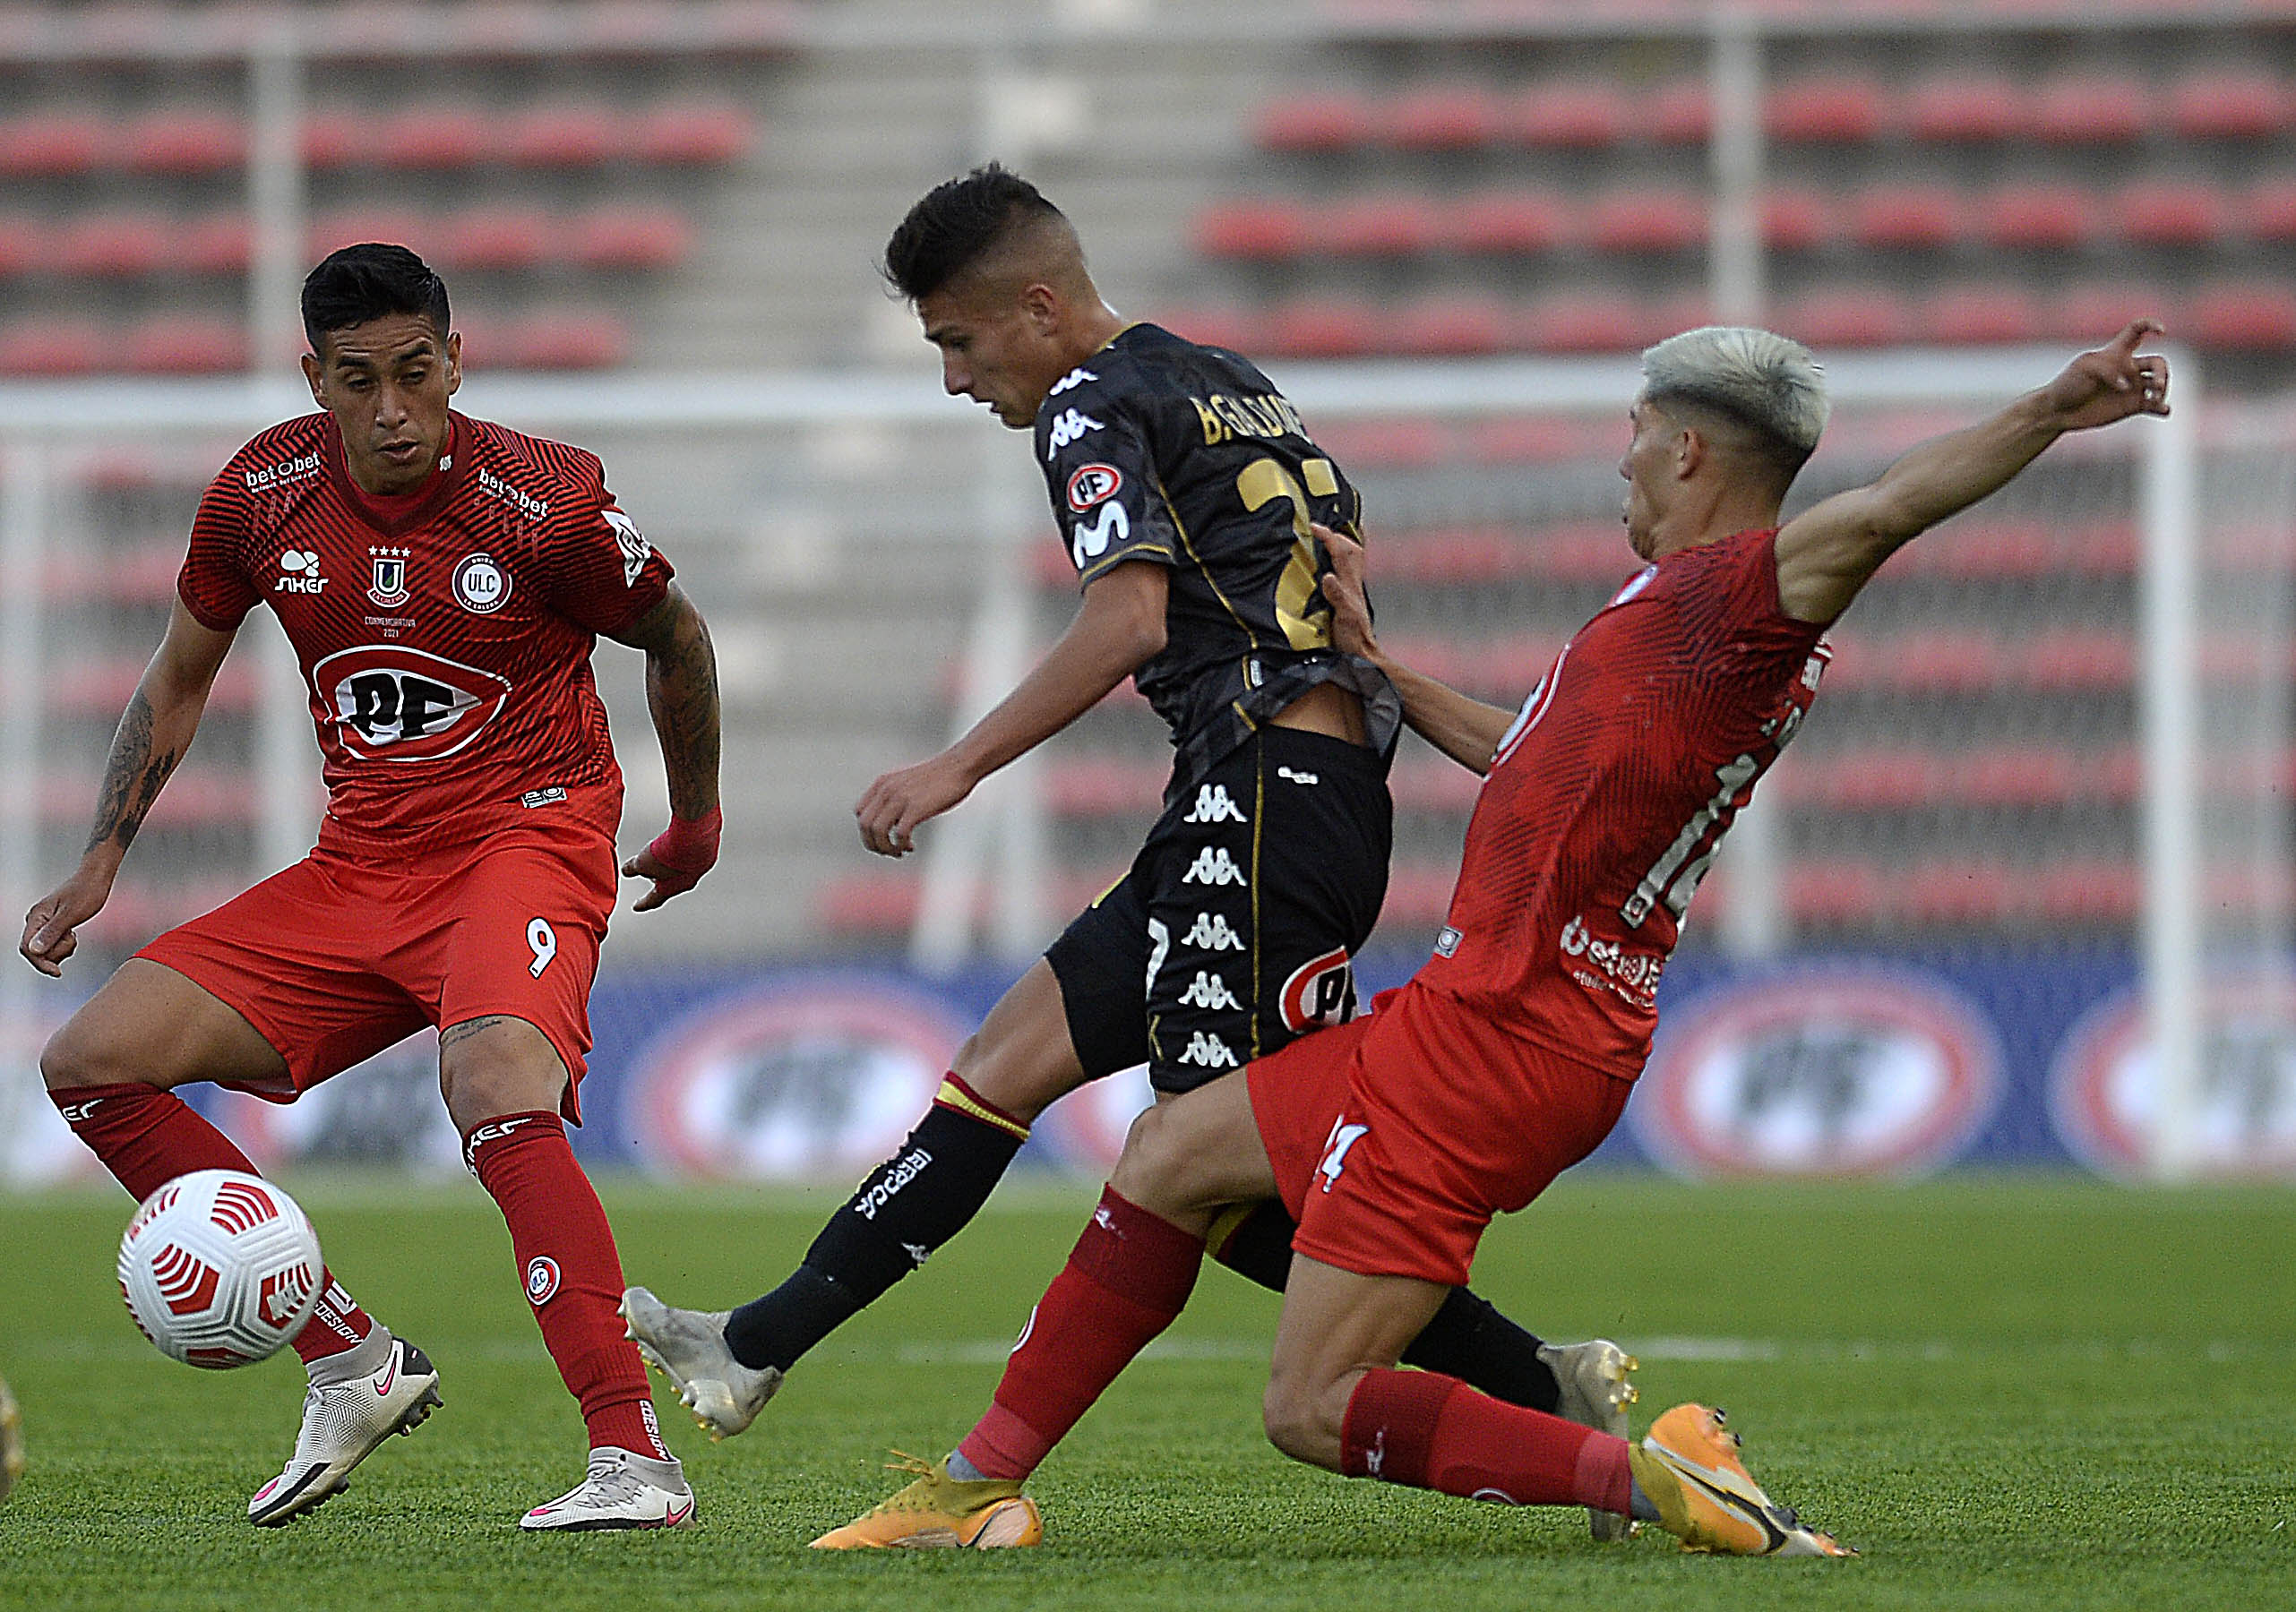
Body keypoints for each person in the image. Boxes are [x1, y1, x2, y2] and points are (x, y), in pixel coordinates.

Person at [808, 321, 2171, 1552]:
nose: (1621, 468)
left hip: (1511, 1038)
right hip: (1490, 1017)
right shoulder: (1670, 623)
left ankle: (1654, 1480)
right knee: (1170, 1150)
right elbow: (1520, 754)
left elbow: (1885, 508)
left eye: (1636, 441)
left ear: (1691, 450)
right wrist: (1373, 654)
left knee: (1313, 1405)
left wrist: (2050, 409)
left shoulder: (1744, 593)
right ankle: (975, 1488)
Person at [623, 164, 1635, 1514]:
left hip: (1269, 805)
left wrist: (955, 764)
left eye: (960, 344)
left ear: (1039, 309)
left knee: (1210, 1174)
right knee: (1004, 1061)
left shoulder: (1095, 400)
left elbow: (1130, 621)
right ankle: (759, 1344)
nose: (956, 381)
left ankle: (1534, 1387)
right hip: (1250, 794)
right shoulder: (1232, 380)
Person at [19, 244, 724, 1531]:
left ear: (455, 359)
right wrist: (101, 857)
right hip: (366, 864)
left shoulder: (546, 503)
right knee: (93, 1065)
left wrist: (696, 818)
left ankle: (634, 1461)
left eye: (416, 373)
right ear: (316, 379)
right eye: (360, 381)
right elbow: (179, 676)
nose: (393, 410)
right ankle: (351, 1357)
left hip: (530, 830)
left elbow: (676, 636)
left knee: (498, 1082)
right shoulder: (261, 497)